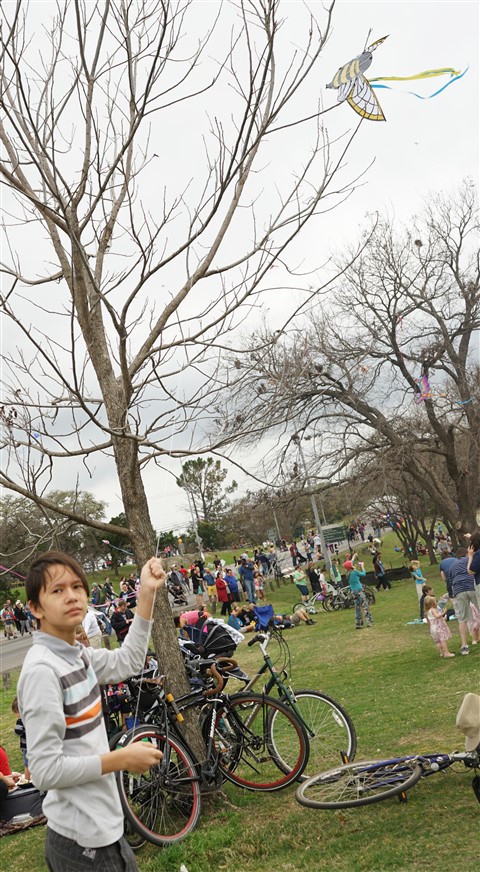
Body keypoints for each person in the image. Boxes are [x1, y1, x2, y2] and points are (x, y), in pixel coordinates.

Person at [17, 550, 166, 871]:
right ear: (35, 608)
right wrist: (121, 759)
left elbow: (128, 661)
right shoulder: (43, 670)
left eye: (77, 587)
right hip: (80, 842)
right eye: (57, 590)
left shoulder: (77, 655)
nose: (71, 596)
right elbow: (43, 771)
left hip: (104, 827)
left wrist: (147, 593)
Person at [450, 547, 479, 654]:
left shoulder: (453, 565)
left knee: (462, 619)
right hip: (471, 586)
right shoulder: (469, 559)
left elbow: (450, 580)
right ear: (466, 554)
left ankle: (464, 646)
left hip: (458, 590)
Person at [344, 554, 373, 629]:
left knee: (357, 607)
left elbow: (350, 563)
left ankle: (358, 623)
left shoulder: (347, 573)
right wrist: (362, 567)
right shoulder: (355, 572)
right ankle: (369, 622)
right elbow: (363, 574)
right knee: (365, 606)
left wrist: (353, 557)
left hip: (353, 592)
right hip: (359, 590)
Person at [12, 696, 30, 781]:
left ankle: (27, 779)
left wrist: (14, 731)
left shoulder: (20, 720)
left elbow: (17, 732)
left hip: (26, 746)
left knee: (27, 764)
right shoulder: (31, 718)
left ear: (19, 711)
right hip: (34, 744)